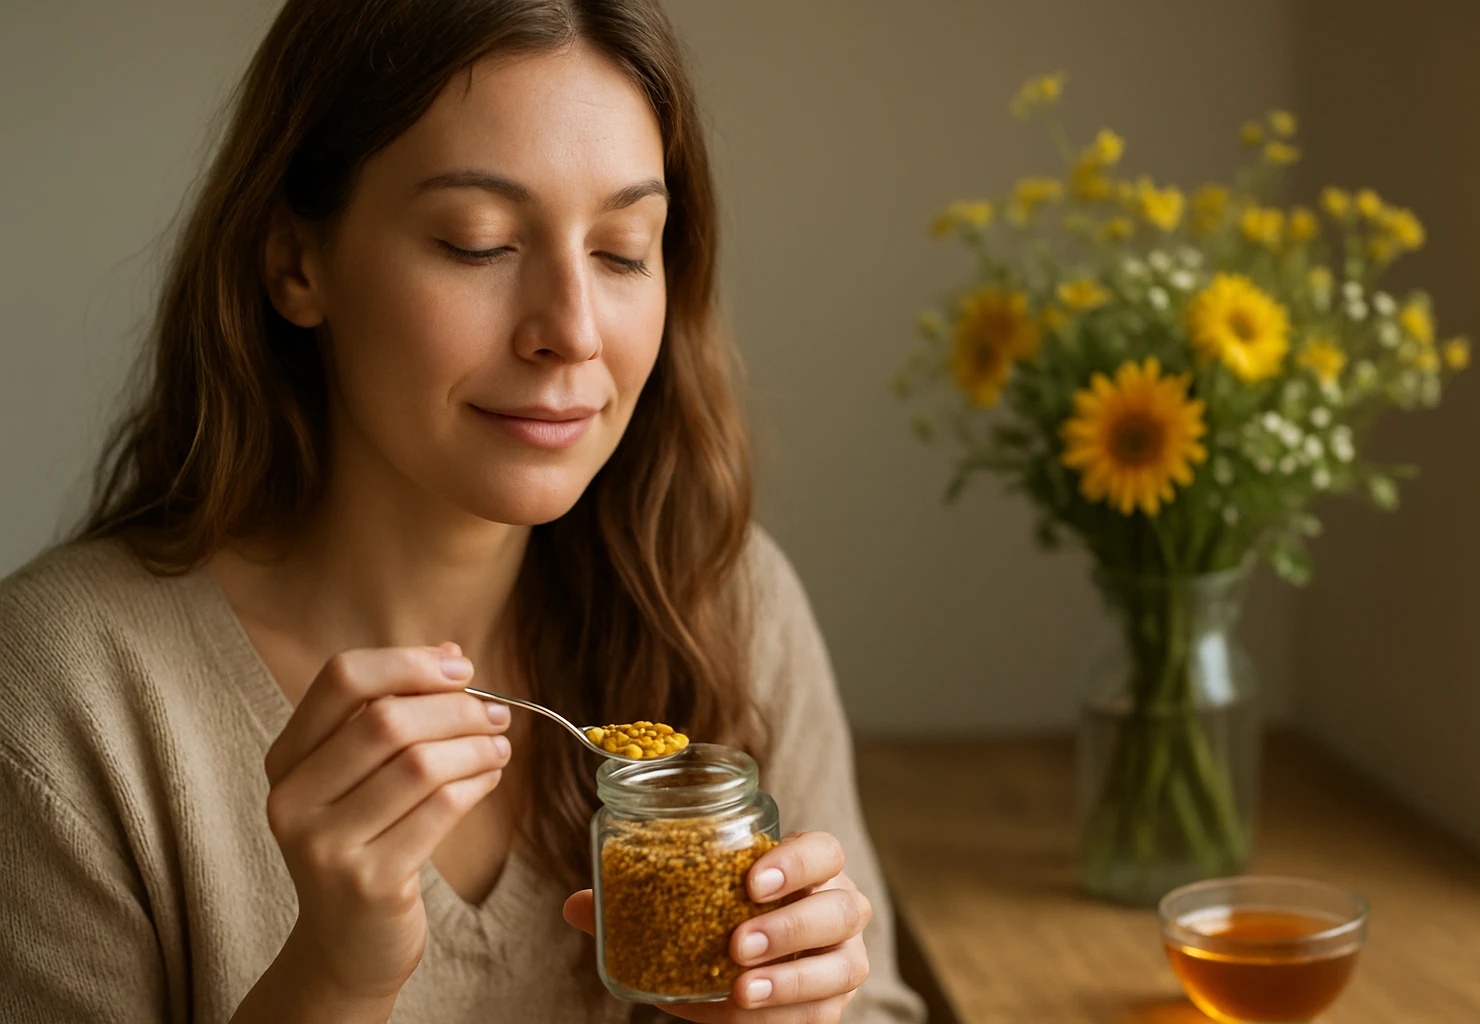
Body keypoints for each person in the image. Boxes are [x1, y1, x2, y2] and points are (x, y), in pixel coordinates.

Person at [0, 2, 926, 1023]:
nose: (572, 332)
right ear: (294, 263)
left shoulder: (718, 596)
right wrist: (334, 978)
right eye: (477, 242)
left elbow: (870, 1003)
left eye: (623, 250)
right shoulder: (62, 699)